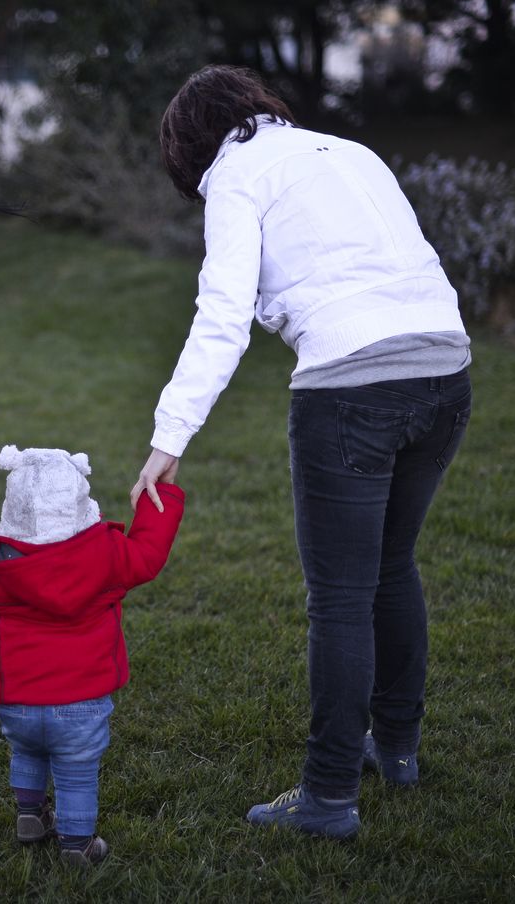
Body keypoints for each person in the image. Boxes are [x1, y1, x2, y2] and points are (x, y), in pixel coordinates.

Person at [131, 65, 473, 841]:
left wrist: (168, 439)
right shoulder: (349, 151)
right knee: (393, 564)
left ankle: (326, 799)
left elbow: (222, 315)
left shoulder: (234, 178)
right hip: (447, 371)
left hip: (351, 388)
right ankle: (398, 751)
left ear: (191, 146)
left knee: (343, 596)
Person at [0, 445, 185, 866]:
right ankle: (77, 843)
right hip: (82, 702)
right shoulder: (109, 556)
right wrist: (161, 496)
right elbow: (149, 552)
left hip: (16, 702)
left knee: (28, 752)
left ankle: (30, 815)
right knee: (76, 770)